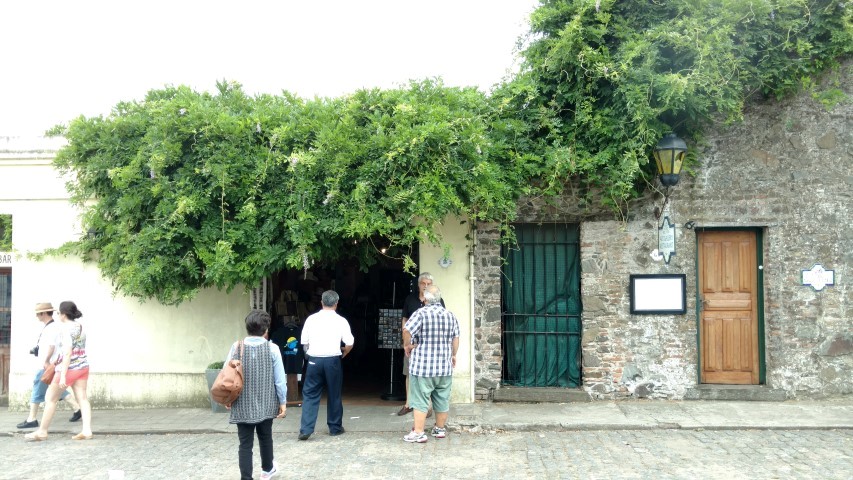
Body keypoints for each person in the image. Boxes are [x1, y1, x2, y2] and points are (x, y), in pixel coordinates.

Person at [227, 310, 287, 480]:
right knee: (266, 437)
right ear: (266, 329)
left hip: (242, 403)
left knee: (245, 444)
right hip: (267, 402)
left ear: (247, 328)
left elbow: (227, 374)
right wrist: (282, 402)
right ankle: (267, 470)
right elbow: (279, 380)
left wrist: (228, 398)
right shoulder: (272, 348)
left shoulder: (236, 347)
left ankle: (246, 477)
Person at [25, 301, 93, 441]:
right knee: (82, 399)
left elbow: (67, 353)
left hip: (69, 368)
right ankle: (87, 430)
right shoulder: (80, 327)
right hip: (83, 366)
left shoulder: (65, 329)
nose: (57, 315)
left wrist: (62, 376)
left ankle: (42, 431)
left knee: (50, 399)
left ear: (63, 314)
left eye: (58, 313)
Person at [402, 285, 460, 443]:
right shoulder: (450, 315)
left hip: (423, 367)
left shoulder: (420, 313)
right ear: (439, 298)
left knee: (420, 400)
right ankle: (440, 429)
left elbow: (407, 330)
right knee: (442, 399)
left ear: (425, 298)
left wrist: (407, 345)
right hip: (444, 367)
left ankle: (419, 432)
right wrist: (453, 355)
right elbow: (455, 338)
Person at [298, 290, 354, 441]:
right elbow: (349, 342)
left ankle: (306, 429)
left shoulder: (311, 319)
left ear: (321, 302)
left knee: (310, 394)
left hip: (314, 360)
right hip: (333, 360)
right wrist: (345, 352)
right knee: (334, 394)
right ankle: (335, 428)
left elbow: (304, 342)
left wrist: (310, 355)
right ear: (336, 304)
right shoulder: (341, 320)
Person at [16, 303, 82, 430]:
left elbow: (51, 346)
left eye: (38, 313)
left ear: (44, 313)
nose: (36, 316)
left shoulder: (51, 328)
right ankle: (77, 408)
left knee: (37, 388)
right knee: (57, 388)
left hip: (46, 365)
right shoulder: (52, 327)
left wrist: (46, 361)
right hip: (50, 364)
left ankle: (32, 418)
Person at [397, 272, 443, 417]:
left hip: (430, 344)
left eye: (429, 284)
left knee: (428, 374)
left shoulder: (438, 300)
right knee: (409, 373)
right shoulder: (410, 299)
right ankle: (408, 404)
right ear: (418, 285)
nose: (426, 286)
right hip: (412, 343)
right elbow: (405, 319)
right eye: (423, 283)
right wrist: (405, 339)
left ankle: (427, 406)